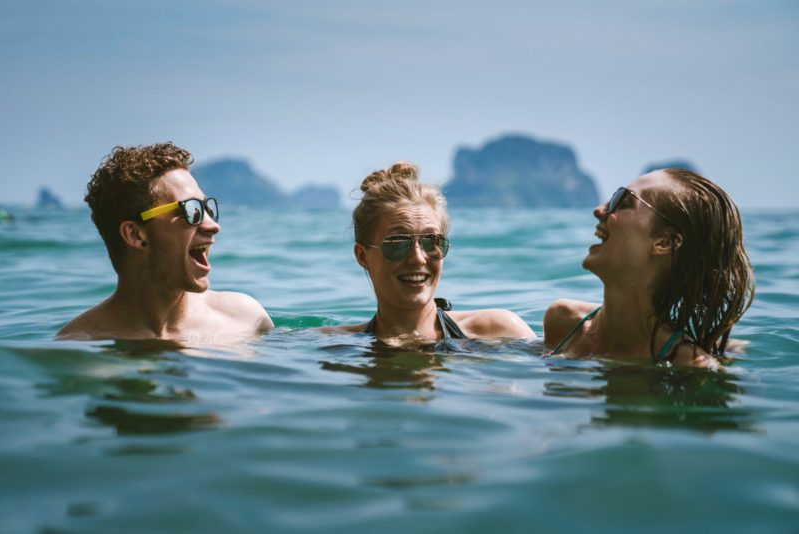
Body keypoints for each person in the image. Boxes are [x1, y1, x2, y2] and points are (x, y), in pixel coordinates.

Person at [57, 142, 273, 341]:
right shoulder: (78, 345)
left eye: (207, 208)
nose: (213, 225)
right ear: (135, 235)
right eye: (191, 210)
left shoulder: (246, 319)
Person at [543, 168, 755, 368]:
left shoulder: (689, 364)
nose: (599, 210)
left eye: (623, 202)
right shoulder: (564, 322)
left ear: (663, 242)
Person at [323, 162, 535, 343]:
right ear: (362, 256)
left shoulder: (497, 331)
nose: (417, 258)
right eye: (397, 242)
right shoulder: (334, 344)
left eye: (432, 241)